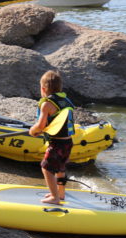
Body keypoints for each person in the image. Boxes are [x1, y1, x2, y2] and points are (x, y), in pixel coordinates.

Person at [29, 70, 75, 205]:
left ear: (43, 89)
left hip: (57, 144)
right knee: (60, 168)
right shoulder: (66, 101)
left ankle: (55, 197)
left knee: (46, 168)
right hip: (68, 142)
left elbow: (41, 125)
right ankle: (60, 194)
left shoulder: (47, 104)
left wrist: (33, 130)